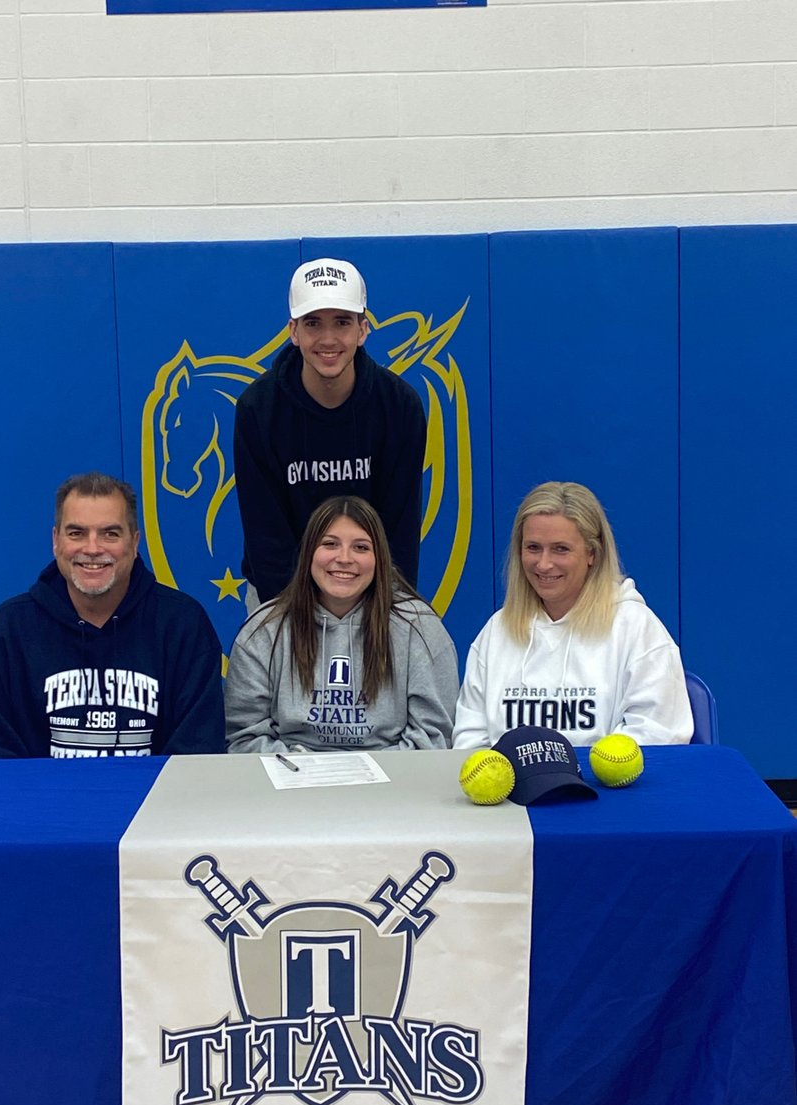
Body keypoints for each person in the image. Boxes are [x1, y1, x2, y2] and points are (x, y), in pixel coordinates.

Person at [0, 471, 225, 758]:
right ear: (56, 541)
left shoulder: (184, 626)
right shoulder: (11, 629)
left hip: (156, 803)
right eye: (76, 533)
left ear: (134, 542)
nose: (92, 548)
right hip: (46, 803)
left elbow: (197, 753)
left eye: (110, 533)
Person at [233, 257, 426, 607]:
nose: (328, 339)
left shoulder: (399, 407)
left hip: (373, 592)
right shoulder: (257, 409)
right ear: (293, 331)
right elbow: (266, 537)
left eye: (342, 322)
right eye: (313, 323)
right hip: (281, 596)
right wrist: (300, 621)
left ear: (362, 329)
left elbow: (399, 532)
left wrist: (386, 611)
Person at [453, 481, 693, 749]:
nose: (543, 564)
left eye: (560, 549)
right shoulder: (497, 630)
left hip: (606, 790)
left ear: (592, 552)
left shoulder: (636, 627)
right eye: (533, 548)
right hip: (513, 789)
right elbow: (470, 738)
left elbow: (660, 734)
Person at [225, 495, 458, 754]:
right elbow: (244, 736)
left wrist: (368, 777)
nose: (344, 558)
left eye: (361, 547)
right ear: (309, 553)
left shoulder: (419, 628)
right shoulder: (265, 629)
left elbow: (433, 736)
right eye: (330, 544)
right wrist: (309, 774)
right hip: (292, 784)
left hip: (391, 786)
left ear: (379, 558)